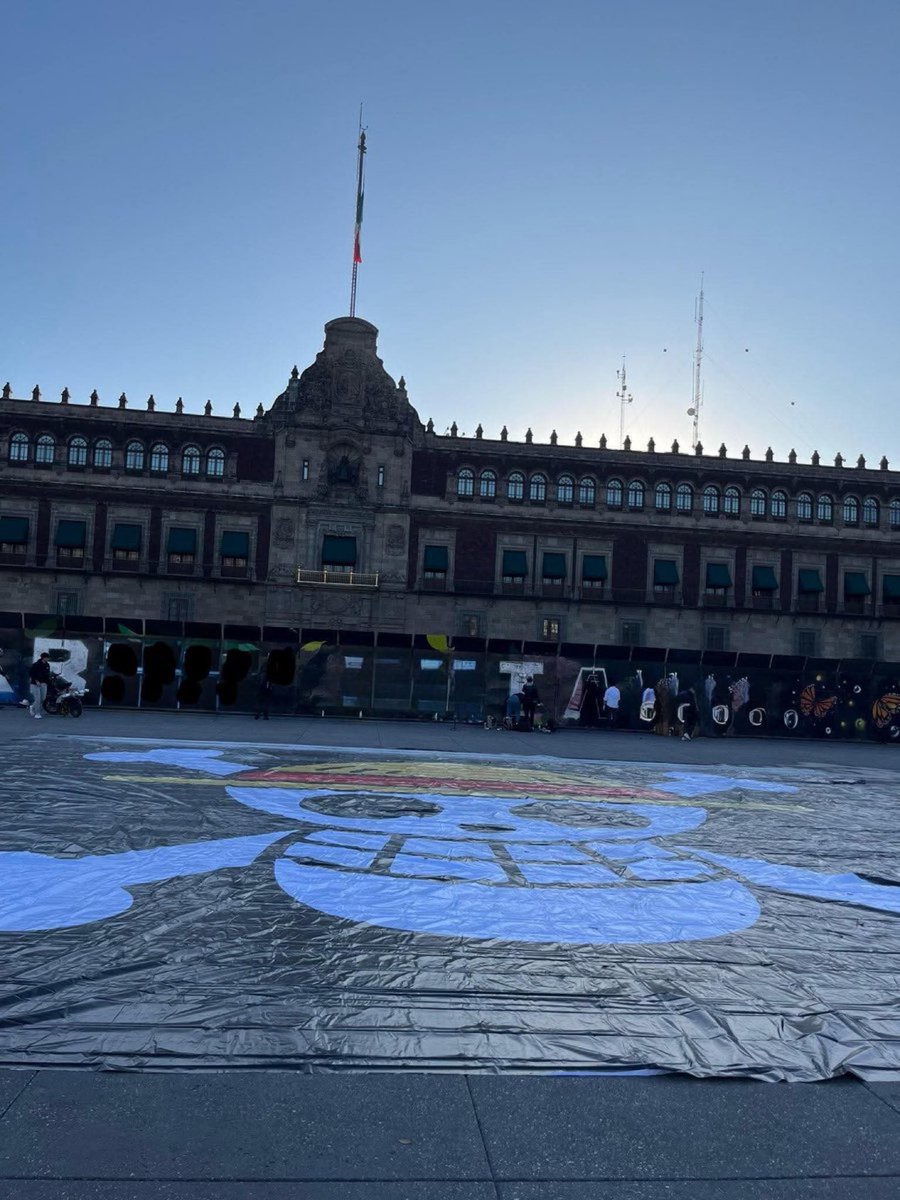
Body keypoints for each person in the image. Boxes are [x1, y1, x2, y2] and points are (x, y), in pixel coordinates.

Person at [28, 651, 51, 719]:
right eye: (47, 657)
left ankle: (32, 706)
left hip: (44, 683)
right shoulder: (36, 664)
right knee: (37, 699)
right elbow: (32, 673)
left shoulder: (47, 665)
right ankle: (37, 713)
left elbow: (47, 674)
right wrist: (36, 680)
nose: (48, 659)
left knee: (43, 698)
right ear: (43, 658)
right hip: (35, 684)